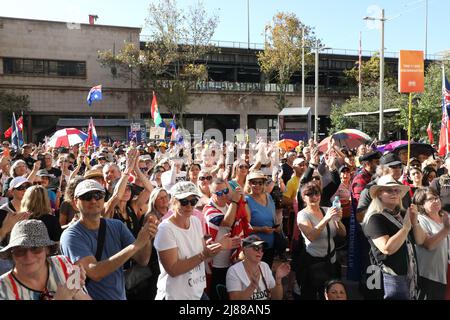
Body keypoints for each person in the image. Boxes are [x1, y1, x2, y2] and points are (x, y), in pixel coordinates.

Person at [59, 179, 157, 300]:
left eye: (98, 195)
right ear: (75, 203)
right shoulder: (71, 235)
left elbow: (143, 260)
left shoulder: (117, 226)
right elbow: (95, 272)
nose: (93, 200)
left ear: (103, 198)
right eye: (87, 196)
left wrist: (146, 236)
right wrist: (135, 245)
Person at [153, 181, 222, 300]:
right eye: (184, 201)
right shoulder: (165, 229)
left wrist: (218, 247)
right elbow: (173, 269)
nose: (189, 206)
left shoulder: (195, 221)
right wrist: (204, 254)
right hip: (175, 295)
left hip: (196, 292)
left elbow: (202, 253)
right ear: (173, 201)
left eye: (193, 201)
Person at [363, 175, 426, 300]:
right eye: (389, 190)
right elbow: (387, 248)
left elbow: (420, 240)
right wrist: (405, 228)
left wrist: (415, 222)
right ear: (379, 194)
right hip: (388, 276)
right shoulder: (375, 218)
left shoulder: (403, 214)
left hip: (409, 274)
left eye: (397, 190)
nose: (394, 193)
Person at [0, 219, 91, 300]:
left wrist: (75, 291)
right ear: (11, 254)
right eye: (20, 251)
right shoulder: (3, 289)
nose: (28, 256)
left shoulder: (62, 264)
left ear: (47, 249)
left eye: (35, 248)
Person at [296, 182, 346, 300]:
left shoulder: (327, 210)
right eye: (310, 194)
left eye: (317, 193)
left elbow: (343, 233)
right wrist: (326, 218)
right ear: (304, 197)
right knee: (312, 295)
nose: (314, 197)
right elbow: (311, 237)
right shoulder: (302, 215)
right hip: (314, 263)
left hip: (331, 262)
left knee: (332, 295)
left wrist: (338, 220)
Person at [203, 178, 243, 300]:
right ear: (212, 194)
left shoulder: (228, 206)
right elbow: (227, 222)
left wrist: (242, 199)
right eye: (219, 193)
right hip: (215, 265)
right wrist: (235, 202)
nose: (224, 195)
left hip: (230, 262)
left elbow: (246, 217)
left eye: (226, 191)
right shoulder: (208, 210)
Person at [412, 187, 450, 300]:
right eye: (430, 199)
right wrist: (446, 230)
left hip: (447, 273)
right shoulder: (420, 220)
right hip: (430, 276)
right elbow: (428, 244)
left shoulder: (445, 216)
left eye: (437, 197)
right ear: (421, 204)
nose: (436, 201)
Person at [226, 235, 290, 300]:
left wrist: (278, 280)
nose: (260, 251)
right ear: (244, 249)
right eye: (256, 248)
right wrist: (252, 286)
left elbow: (276, 298)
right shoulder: (234, 270)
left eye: (262, 249)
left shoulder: (264, 266)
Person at [245, 170, 278, 268]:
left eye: (260, 182)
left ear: (264, 184)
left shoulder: (268, 196)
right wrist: (261, 229)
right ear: (249, 184)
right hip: (254, 246)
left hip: (270, 244)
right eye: (254, 182)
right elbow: (245, 225)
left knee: (267, 272)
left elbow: (273, 216)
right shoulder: (246, 200)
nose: (257, 185)